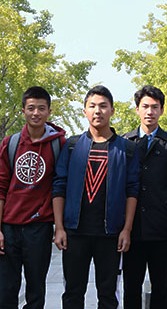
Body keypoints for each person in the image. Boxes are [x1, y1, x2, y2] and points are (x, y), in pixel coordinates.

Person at [52, 85, 140, 309]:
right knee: (72, 294)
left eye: (103, 106)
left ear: (112, 110)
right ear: (85, 111)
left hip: (110, 234)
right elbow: (59, 186)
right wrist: (59, 227)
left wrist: (126, 229)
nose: (97, 111)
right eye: (92, 106)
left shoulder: (126, 149)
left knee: (108, 296)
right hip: (75, 232)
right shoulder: (72, 146)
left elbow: (132, 191)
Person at [0, 86, 66, 309]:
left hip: (39, 229)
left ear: (49, 111)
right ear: (23, 110)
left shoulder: (59, 145)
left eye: (41, 108)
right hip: (9, 229)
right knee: (6, 292)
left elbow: (60, 187)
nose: (36, 113)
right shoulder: (10, 144)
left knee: (36, 292)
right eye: (31, 108)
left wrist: (59, 227)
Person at [122, 85, 167, 309]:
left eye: (155, 107)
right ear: (137, 109)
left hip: (162, 227)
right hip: (133, 227)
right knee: (131, 286)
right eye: (145, 106)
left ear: (162, 110)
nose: (150, 112)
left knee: (160, 287)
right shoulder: (126, 142)